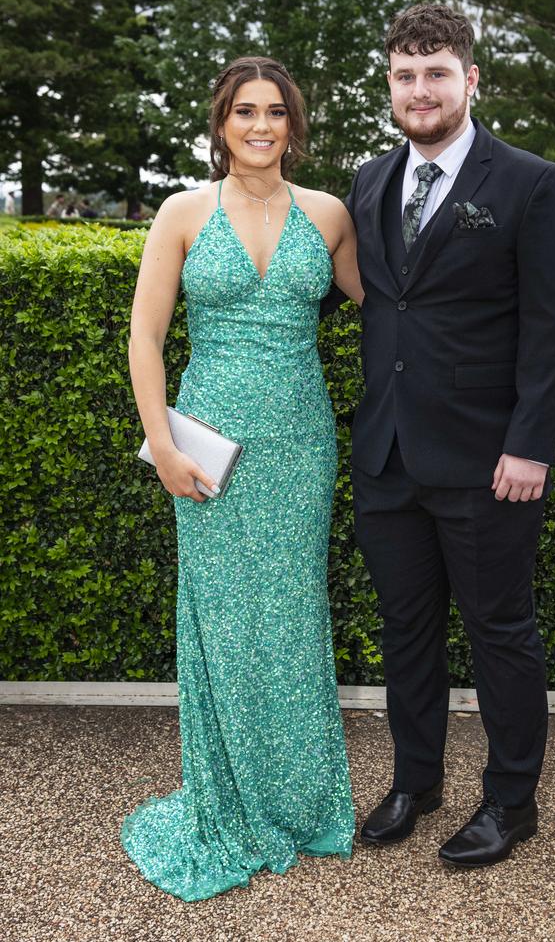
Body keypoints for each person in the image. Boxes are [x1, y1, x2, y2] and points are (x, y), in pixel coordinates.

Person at [322, 3, 555, 867]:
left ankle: (512, 803)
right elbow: (359, 292)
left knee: (500, 629)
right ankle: (416, 782)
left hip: (487, 460)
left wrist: (531, 443)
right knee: (406, 631)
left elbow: (554, 326)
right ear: (389, 84)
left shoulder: (530, 182)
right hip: (387, 455)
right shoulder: (367, 179)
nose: (419, 90)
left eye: (437, 73)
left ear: (470, 79)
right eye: (404, 74)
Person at [122, 56, 362, 900]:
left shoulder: (330, 214)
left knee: (292, 618)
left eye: (276, 113)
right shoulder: (183, 211)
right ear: (221, 122)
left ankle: (298, 801)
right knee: (221, 621)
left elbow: (396, 309)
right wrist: (163, 449)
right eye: (244, 112)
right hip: (207, 448)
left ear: (295, 125)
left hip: (300, 444)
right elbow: (145, 338)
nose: (261, 127)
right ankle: (226, 800)